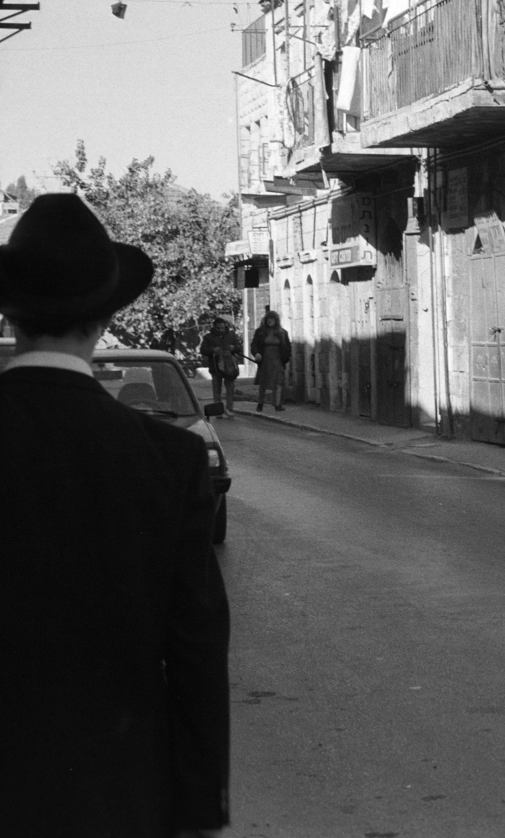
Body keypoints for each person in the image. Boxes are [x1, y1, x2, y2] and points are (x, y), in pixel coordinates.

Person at [0, 194, 230, 838]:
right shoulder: (171, 457)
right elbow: (196, 652)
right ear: (104, 320)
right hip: (118, 791)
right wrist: (198, 810)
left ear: (10, 314)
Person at [198, 316, 243, 416]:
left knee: (230, 387)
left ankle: (229, 409)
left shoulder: (231, 335)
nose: (221, 330)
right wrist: (213, 349)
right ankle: (218, 411)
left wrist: (233, 348)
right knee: (217, 388)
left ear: (225, 327)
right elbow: (203, 350)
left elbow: (239, 347)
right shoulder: (208, 337)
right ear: (214, 327)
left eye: (222, 328)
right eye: (218, 328)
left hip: (230, 366)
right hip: (215, 367)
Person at [250, 309, 291, 411]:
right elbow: (254, 345)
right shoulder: (260, 332)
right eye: (268, 319)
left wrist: (286, 357)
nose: (270, 321)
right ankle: (260, 403)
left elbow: (288, 347)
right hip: (265, 360)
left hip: (278, 360)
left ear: (276, 320)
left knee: (278, 381)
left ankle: (277, 404)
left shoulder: (283, 332)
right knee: (263, 382)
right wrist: (256, 353)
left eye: (272, 319)